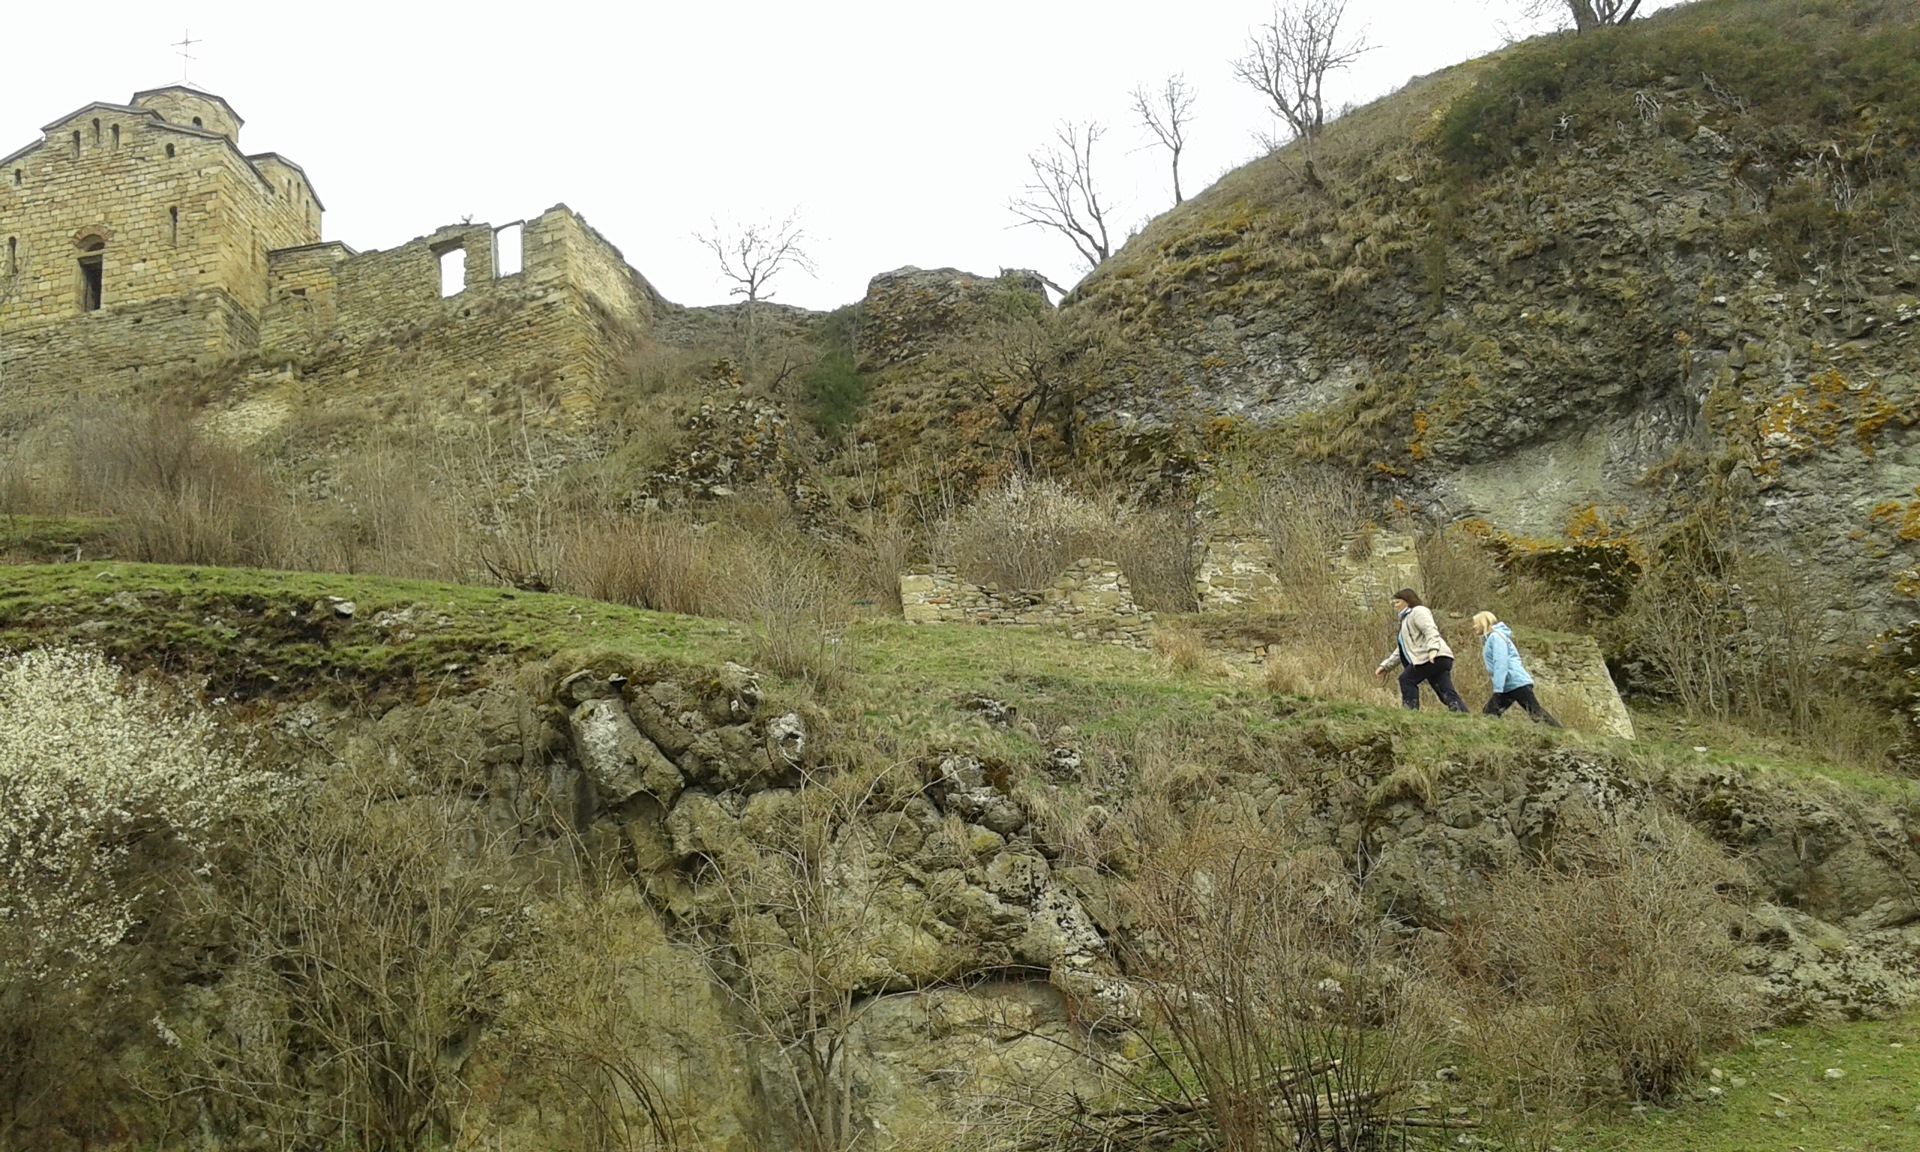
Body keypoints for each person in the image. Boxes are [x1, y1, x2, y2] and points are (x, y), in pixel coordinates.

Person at [1374, 588, 1468, 712]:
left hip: (1432, 656)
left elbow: (1430, 629)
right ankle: (1462, 714)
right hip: (1437, 657)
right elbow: (1402, 649)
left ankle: (1410, 713)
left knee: (1406, 679)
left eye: (1397, 602)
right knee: (1444, 691)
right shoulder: (1405, 620)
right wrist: (1386, 666)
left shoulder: (1418, 611)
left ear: (1407, 601)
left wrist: (1433, 649)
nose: (1395, 606)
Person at [1473, 611, 1561, 727]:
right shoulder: (1493, 638)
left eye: (1476, 623)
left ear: (1484, 623)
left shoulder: (1496, 637)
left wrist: (1498, 689)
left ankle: (1563, 734)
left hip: (1516, 683)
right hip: (1508, 685)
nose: (1473, 626)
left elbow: (1501, 662)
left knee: (1536, 713)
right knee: (1489, 714)